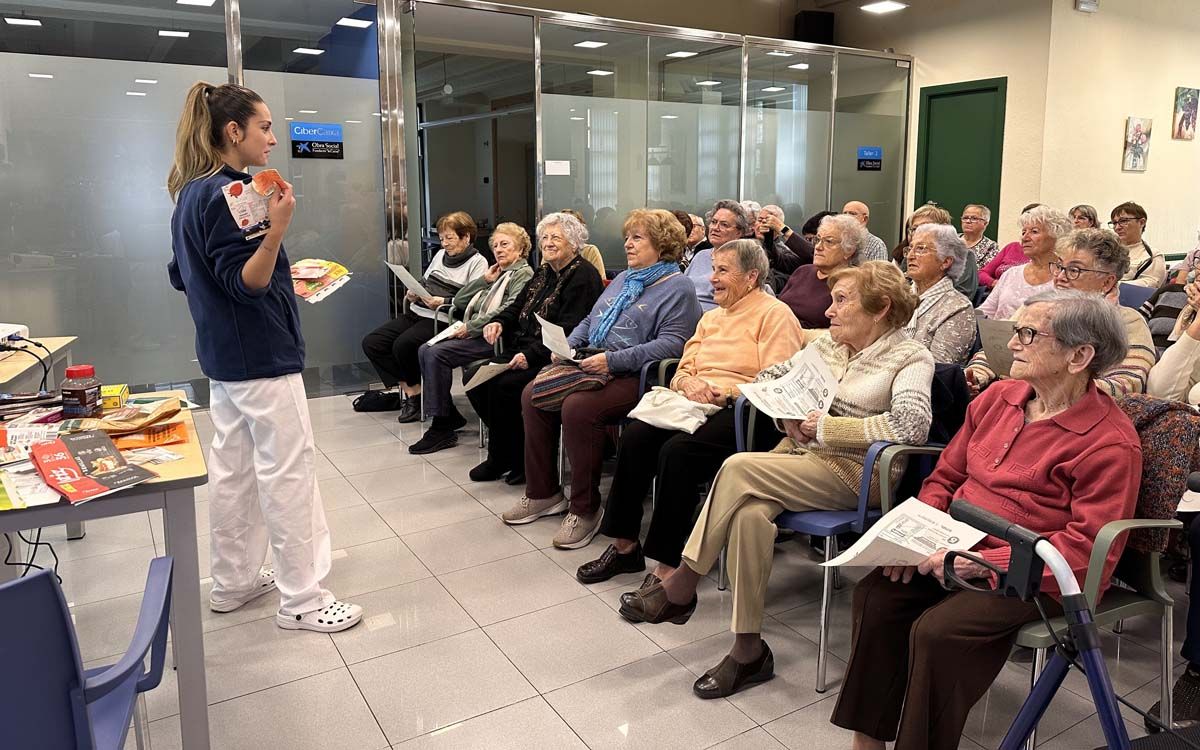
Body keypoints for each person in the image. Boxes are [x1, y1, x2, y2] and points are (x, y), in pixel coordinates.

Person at [831, 290, 1140, 750]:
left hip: (1035, 571)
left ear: (1079, 356)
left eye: (1028, 334)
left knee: (939, 632)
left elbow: (1087, 548)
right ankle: (868, 742)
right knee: (880, 593)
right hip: (955, 542)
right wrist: (916, 533)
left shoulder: (1110, 443)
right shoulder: (1000, 397)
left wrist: (983, 562)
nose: (1012, 343)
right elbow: (947, 475)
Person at [618, 262, 936, 701]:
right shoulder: (829, 346)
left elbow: (910, 426)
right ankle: (748, 650)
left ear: (881, 307)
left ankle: (683, 583)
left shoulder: (911, 355)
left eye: (841, 301)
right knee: (749, 515)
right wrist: (785, 409)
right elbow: (767, 377)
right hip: (796, 461)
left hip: (859, 474)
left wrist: (825, 428)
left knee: (738, 466)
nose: (829, 312)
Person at [166, 81, 362, 632]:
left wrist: (276, 274)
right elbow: (246, 280)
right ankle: (303, 597)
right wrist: (276, 232)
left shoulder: (190, 192)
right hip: (262, 357)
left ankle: (232, 582)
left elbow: (186, 275)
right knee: (287, 471)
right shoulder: (234, 192)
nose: (273, 139)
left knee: (235, 470)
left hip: (224, 358)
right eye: (265, 127)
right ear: (234, 132)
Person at [576, 240, 804, 586]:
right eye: (713, 269)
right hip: (694, 402)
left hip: (747, 411)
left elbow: (776, 379)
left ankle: (667, 565)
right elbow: (684, 365)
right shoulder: (711, 317)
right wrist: (685, 383)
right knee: (636, 437)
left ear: (752, 276)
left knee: (677, 452)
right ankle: (625, 548)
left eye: (723, 271)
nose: (712, 279)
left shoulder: (775, 314)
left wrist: (723, 392)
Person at [510, 209, 702, 548]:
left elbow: (672, 345)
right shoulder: (627, 279)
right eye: (627, 237)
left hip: (637, 375)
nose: (627, 243)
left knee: (579, 408)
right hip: (593, 362)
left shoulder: (678, 287)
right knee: (531, 394)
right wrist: (569, 346)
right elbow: (590, 318)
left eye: (637, 238)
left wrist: (612, 360)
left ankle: (586, 509)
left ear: (663, 244)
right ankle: (544, 493)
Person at [466, 212, 603, 484]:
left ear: (574, 242)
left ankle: (517, 459)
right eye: (545, 237)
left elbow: (569, 330)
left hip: (554, 355)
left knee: (504, 387)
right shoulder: (544, 271)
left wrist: (530, 356)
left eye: (556, 237)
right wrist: (498, 322)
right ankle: (508, 454)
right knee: (474, 377)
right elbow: (518, 305)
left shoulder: (583, 276)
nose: (548, 243)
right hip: (523, 345)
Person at [968, 228, 1154, 399]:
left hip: (1076, 416)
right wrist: (975, 375)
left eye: (1074, 270)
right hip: (1011, 401)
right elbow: (996, 350)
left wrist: (1042, 388)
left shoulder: (1127, 322)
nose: (1060, 277)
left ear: (1106, 282)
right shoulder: (1035, 309)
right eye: (1059, 266)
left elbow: (1127, 383)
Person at [408, 223, 536, 454]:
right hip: (477, 331)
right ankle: (445, 416)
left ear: (521, 248)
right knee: (425, 349)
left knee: (436, 353)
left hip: (497, 338)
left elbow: (509, 310)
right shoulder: (499, 273)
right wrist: (485, 280)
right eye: (495, 245)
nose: (498, 250)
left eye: (505, 244)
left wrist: (471, 327)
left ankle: (441, 425)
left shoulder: (523, 274)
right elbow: (459, 300)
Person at [359, 210, 488, 421]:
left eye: (450, 238)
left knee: (403, 344)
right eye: (442, 238)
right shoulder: (440, 255)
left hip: (443, 318)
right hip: (419, 311)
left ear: (466, 237)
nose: (444, 244)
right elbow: (426, 281)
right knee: (373, 343)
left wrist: (442, 302)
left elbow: (471, 300)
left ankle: (418, 399)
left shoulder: (478, 263)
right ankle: (414, 393)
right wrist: (414, 290)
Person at [977, 205, 1070, 320]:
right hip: (997, 337)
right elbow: (985, 312)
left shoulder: (1066, 278)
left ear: (1056, 236)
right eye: (1023, 232)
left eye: (1034, 232)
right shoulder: (1011, 274)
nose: (1025, 238)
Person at [904, 224, 977, 365]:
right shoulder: (900, 296)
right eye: (910, 248)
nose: (910, 256)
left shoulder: (958, 308)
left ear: (945, 262)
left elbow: (937, 367)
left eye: (920, 249)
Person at [777, 214, 864, 330]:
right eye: (817, 240)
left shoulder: (852, 284)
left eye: (828, 241)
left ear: (849, 250)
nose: (818, 247)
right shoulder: (802, 271)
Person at [894, 204, 978, 299]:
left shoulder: (964, 255)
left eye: (925, 228)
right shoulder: (910, 255)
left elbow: (961, 295)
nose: (919, 233)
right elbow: (899, 289)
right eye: (914, 229)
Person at [684, 200, 753, 311]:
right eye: (714, 222)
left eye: (724, 225)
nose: (716, 228)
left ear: (739, 233)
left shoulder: (742, 260)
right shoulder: (700, 256)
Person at [979, 202, 1042, 289]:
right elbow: (982, 273)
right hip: (997, 293)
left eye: (1034, 231)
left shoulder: (1049, 256)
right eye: (1024, 230)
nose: (1026, 236)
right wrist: (994, 283)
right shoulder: (1012, 247)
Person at [754, 204, 813, 288]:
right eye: (759, 220)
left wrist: (782, 229)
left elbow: (811, 254)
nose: (762, 225)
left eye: (769, 222)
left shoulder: (785, 251)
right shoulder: (745, 243)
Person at [1109, 201, 1166, 289]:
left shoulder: (1152, 256)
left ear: (1141, 222)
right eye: (1114, 223)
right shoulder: (1105, 250)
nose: (1117, 227)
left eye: (1123, 221)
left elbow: (1150, 284)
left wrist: (1109, 284)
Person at [559, 208, 606, 279]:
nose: (566, 231)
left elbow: (601, 283)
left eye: (570, 226)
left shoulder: (590, 251)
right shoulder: (551, 251)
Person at [960, 203, 999, 268]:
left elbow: (986, 271)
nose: (968, 221)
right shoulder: (951, 239)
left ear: (985, 223)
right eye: (965, 218)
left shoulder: (991, 247)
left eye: (974, 218)